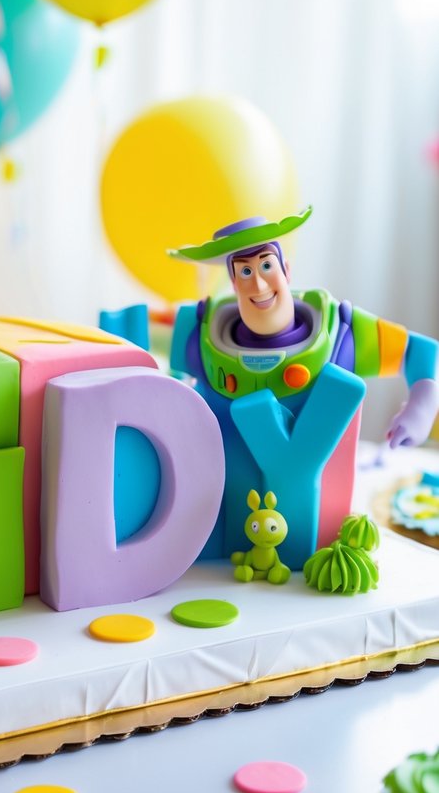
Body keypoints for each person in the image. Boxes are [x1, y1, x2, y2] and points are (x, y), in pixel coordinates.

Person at [167, 206, 439, 565]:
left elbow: (416, 350)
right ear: (233, 283)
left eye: (266, 265)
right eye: (245, 271)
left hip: (317, 551)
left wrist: (422, 403)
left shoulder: (340, 331)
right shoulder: (198, 330)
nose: (258, 284)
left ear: (286, 269)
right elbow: (147, 359)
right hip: (217, 542)